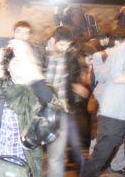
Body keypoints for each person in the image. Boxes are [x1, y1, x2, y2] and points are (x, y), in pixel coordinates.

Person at [0, 38, 54, 177]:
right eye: (15, 62)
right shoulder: (0, 86)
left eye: (23, 62)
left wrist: (27, 55)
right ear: (8, 66)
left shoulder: (37, 91)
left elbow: (50, 102)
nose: (20, 66)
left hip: (23, 162)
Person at [83, 29, 125, 177]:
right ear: (117, 42)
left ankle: (117, 167)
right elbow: (101, 77)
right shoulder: (101, 55)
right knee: (102, 150)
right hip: (110, 106)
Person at [42, 26, 85, 177]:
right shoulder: (41, 56)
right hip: (40, 112)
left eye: (68, 45)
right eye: (62, 45)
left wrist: (75, 86)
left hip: (61, 111)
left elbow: (70, 80)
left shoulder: (69, 57)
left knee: (57, 155)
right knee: (31, 151)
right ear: (53, 40)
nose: (66, 48)